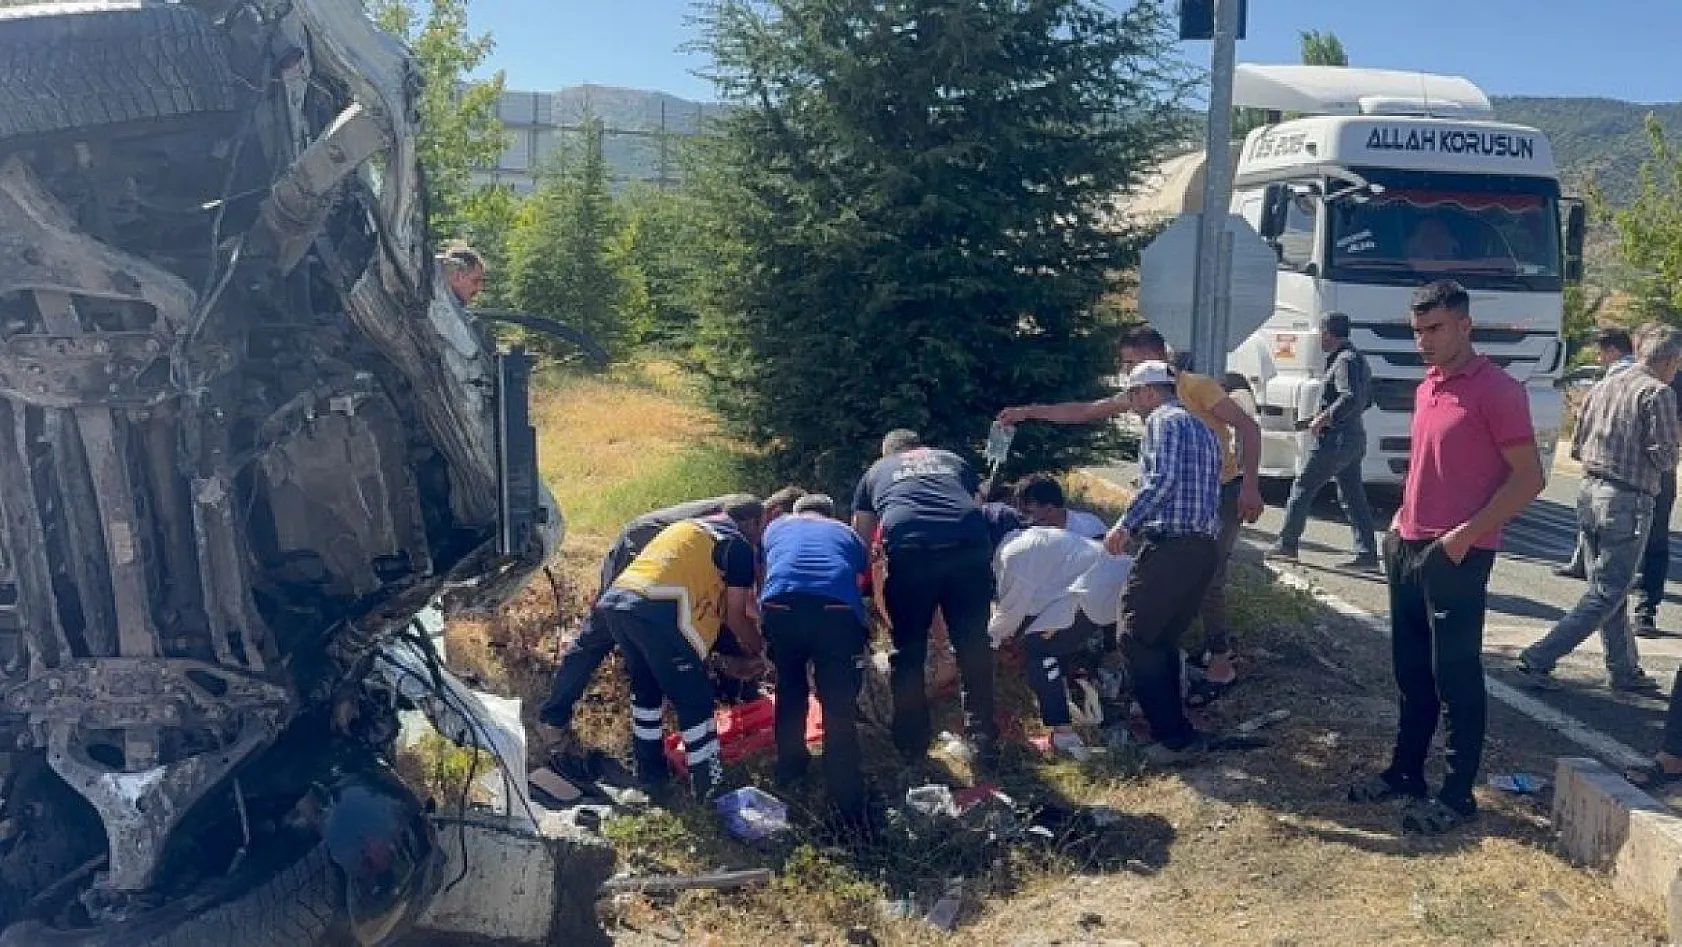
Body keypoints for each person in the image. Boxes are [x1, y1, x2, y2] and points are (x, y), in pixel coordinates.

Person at [1348, 280, 1544, 836]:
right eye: (1418, 332)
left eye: (1434, 330)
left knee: (1455, 675)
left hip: (1459, 552)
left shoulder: (1499, 390)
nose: (1424, 342)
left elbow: (1530, 478)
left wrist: (1461, 537)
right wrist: (1396, 524)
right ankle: (1405, 773)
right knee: (1411, 672)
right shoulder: (1427, 387)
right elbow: (1425, 465)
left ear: (1465, 325)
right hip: (1407, 545)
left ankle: (1458, 796)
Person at [998, 325, 1264, 699]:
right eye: (1125, 366)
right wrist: (1028, 413)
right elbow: (1085, 411)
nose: (1127, 373)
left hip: (1216, 493)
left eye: (1132, 362)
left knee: (1207, 580)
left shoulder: (1193, 389)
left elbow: (1247, 428)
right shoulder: (1144, 395)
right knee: (1158, 581)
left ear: (1156, 359)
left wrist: (1250, 485)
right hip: (1170, 507)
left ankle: (1219, 660)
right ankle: (1163, 665)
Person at [535, 487, 805, 759]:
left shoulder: (745, 523)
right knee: (600, 634)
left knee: (704, 631)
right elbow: (737, 608)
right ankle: (552, 718)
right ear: (776, 513)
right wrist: (764, 649)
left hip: (672, 567)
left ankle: (739, 698)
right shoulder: (739, 524)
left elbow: (733, 601)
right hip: (644, 549)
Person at [1517, 324, 1682, 695]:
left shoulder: (1604, 384)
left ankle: (1623, 669)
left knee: (1609, 588)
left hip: (1589, 490)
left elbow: (1576, 446)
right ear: (1670, 360)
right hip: (1629, 498)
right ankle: (1540, 655)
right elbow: (1666, 456)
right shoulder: (1658, 394)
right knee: (1608, 592)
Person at [594, 496, 768, 799]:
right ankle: (708, 786)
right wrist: (762, 651)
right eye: (761, 528)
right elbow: (735, 615)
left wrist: (722, 659)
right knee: (695, 699)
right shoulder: (736, 545)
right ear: (752, 523)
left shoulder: (688, 528)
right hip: (659, 610)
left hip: (618, 603)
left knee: (646, 690)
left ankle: (651, 775)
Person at [1102, 360, 1224, 765]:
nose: (1131, 404)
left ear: (1148, 392)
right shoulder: (1202, 428)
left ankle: (1170, 738)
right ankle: (1178, 731)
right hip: (1204, 548)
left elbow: (1163, 480)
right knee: (1161, 640)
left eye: (1132, 395)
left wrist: (1125, 525)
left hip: (1173, 546)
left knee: (1134, 635)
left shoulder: (1162, 421)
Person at [852, 429, 998, 768]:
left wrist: (866, 588)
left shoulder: (876, 472)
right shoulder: (952, 460)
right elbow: (977, 506)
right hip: (968, 549)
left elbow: (860, 536)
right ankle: (983, 741)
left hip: (912, 553)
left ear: (887, 453)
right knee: (972, 646)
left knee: (909, 650)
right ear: (921, 448)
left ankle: (911, 743)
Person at [759, 494, 871, 821]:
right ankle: (844, 785)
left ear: (797, 512)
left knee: (790, 688)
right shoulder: (845, 532)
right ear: (830, 513)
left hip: (781, 605)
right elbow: (860, 579)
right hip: (834, 611)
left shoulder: (775, 527)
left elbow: (764, 573)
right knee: (838, 699)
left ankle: (790, 768)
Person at [988, 525, 1131, 760]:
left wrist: (989, 640)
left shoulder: (1011, 553)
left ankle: (1064, 735)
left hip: (1092, 593)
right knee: (1053, 643)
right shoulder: (1034, 539)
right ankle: (1092, 705)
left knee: (1037, 649)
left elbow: (1010, 614)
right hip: (1112, 582)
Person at [1267, 312, 1379, 569]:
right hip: (1354, 437)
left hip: (1335, 440)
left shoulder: (1343, 361)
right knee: (1352, 495)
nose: (1320, 339)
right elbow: (1367, 400)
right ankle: (1367, 554)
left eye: (1322, 334)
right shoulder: (1359, 359)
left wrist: (1325, 418)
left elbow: (1348, 396)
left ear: (1328, 333)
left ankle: (1287, 544)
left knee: (1303, 487)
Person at [1555, 328, 1636, 580]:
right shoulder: (1639, 374)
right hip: (1620, 457)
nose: (1599, 359)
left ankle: (1596, 570)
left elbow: (1590, 416)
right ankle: (1582, 562)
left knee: (1598, 515)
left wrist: (1578, 449)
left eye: (1601, 353)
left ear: (1612, 350)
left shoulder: (1618, 377)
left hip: (1608, 456)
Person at [1634, 361, 1682, 637]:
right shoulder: (1626, 379)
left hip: (1659, 472)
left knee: (1655, 540)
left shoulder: (1675, 384)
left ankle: (1646, 608)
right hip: (1625, 470)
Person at [1014, 474, 1108, 540]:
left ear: (1050, 509)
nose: (1021, 518)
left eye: (1028, 512)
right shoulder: (1022, 532)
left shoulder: (1089, 531)